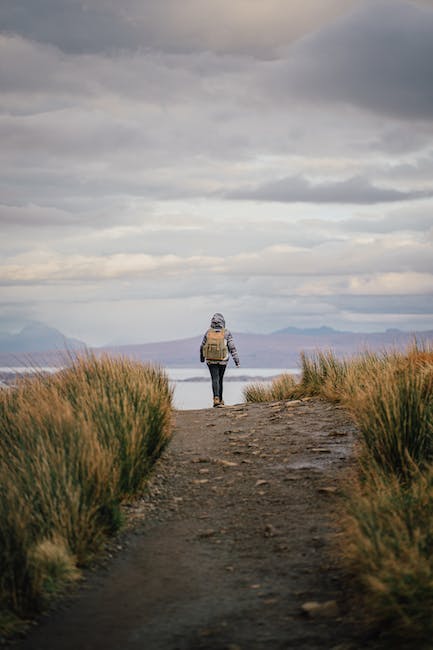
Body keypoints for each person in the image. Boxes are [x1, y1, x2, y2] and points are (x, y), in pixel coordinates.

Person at [200, 313, 240, 407]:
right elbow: (232, 348)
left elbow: (202, 346)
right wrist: (237, 361)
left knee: (215, 378)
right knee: (220, 379)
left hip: (210, 360)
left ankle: (216, 398)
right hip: (223, 360)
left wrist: (202, 358)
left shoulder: (208, 332)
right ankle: (220, 399)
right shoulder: (226, 332)